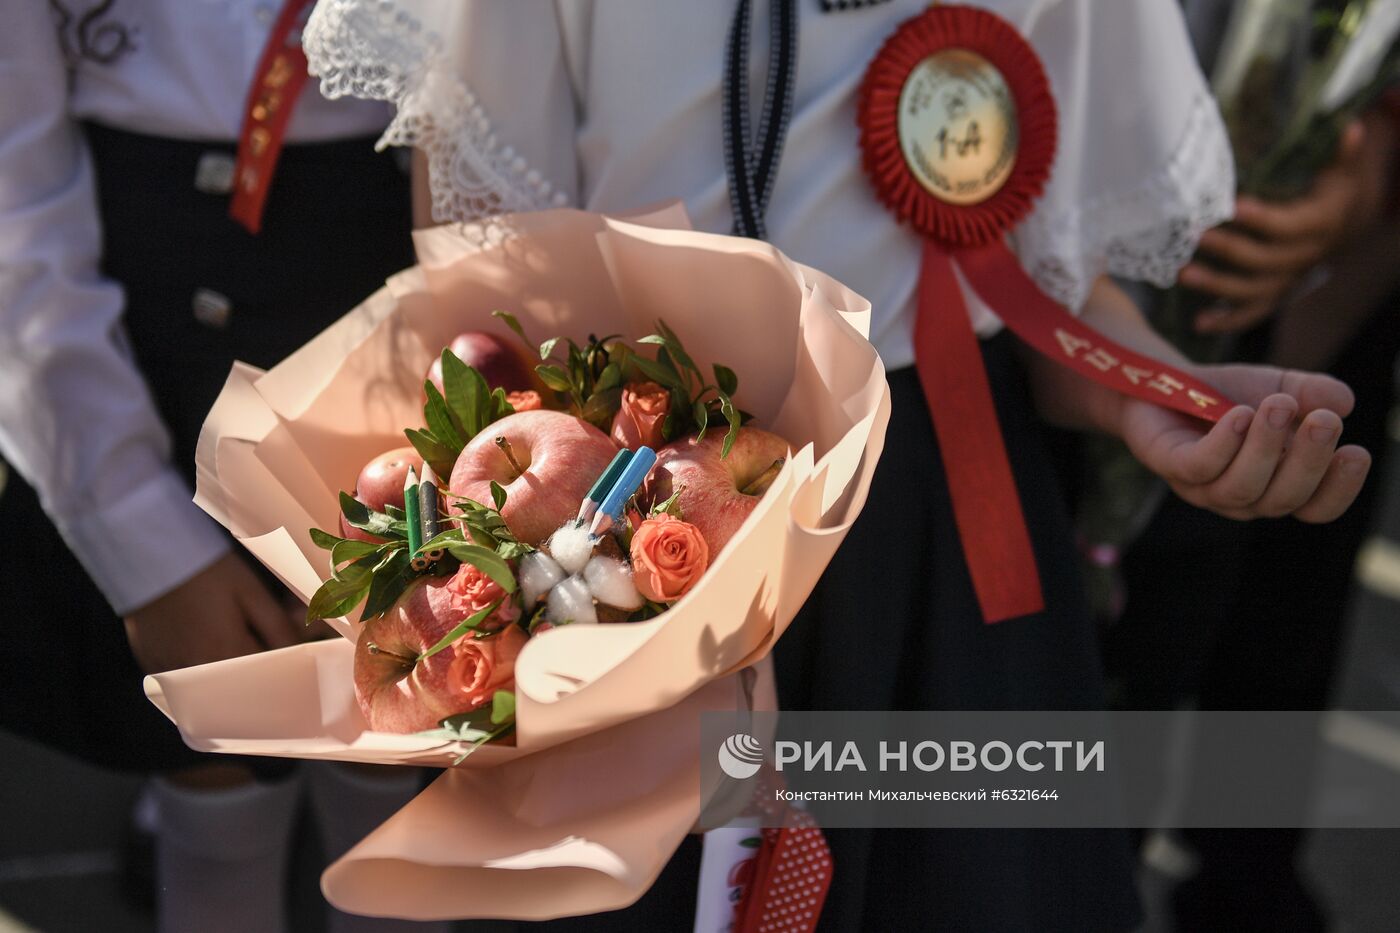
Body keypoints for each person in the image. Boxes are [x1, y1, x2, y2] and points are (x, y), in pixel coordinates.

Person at [304, 0, 1372, 929]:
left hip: (935, 535)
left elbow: (1049, 286)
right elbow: (479, 293)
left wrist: (1153, 394)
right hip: (623, 530)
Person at [0, 4, 441, 932]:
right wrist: (136, 535)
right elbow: (14, 205)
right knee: (206, 736)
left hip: (419, 284)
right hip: (136, 340)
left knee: (411, 711)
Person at [1101, 3, 1400, 927]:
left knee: (1278, 609)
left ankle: (1242, 878)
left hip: (1325, 273)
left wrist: (1377, 179)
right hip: (1085, 285)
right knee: (1109, 659)